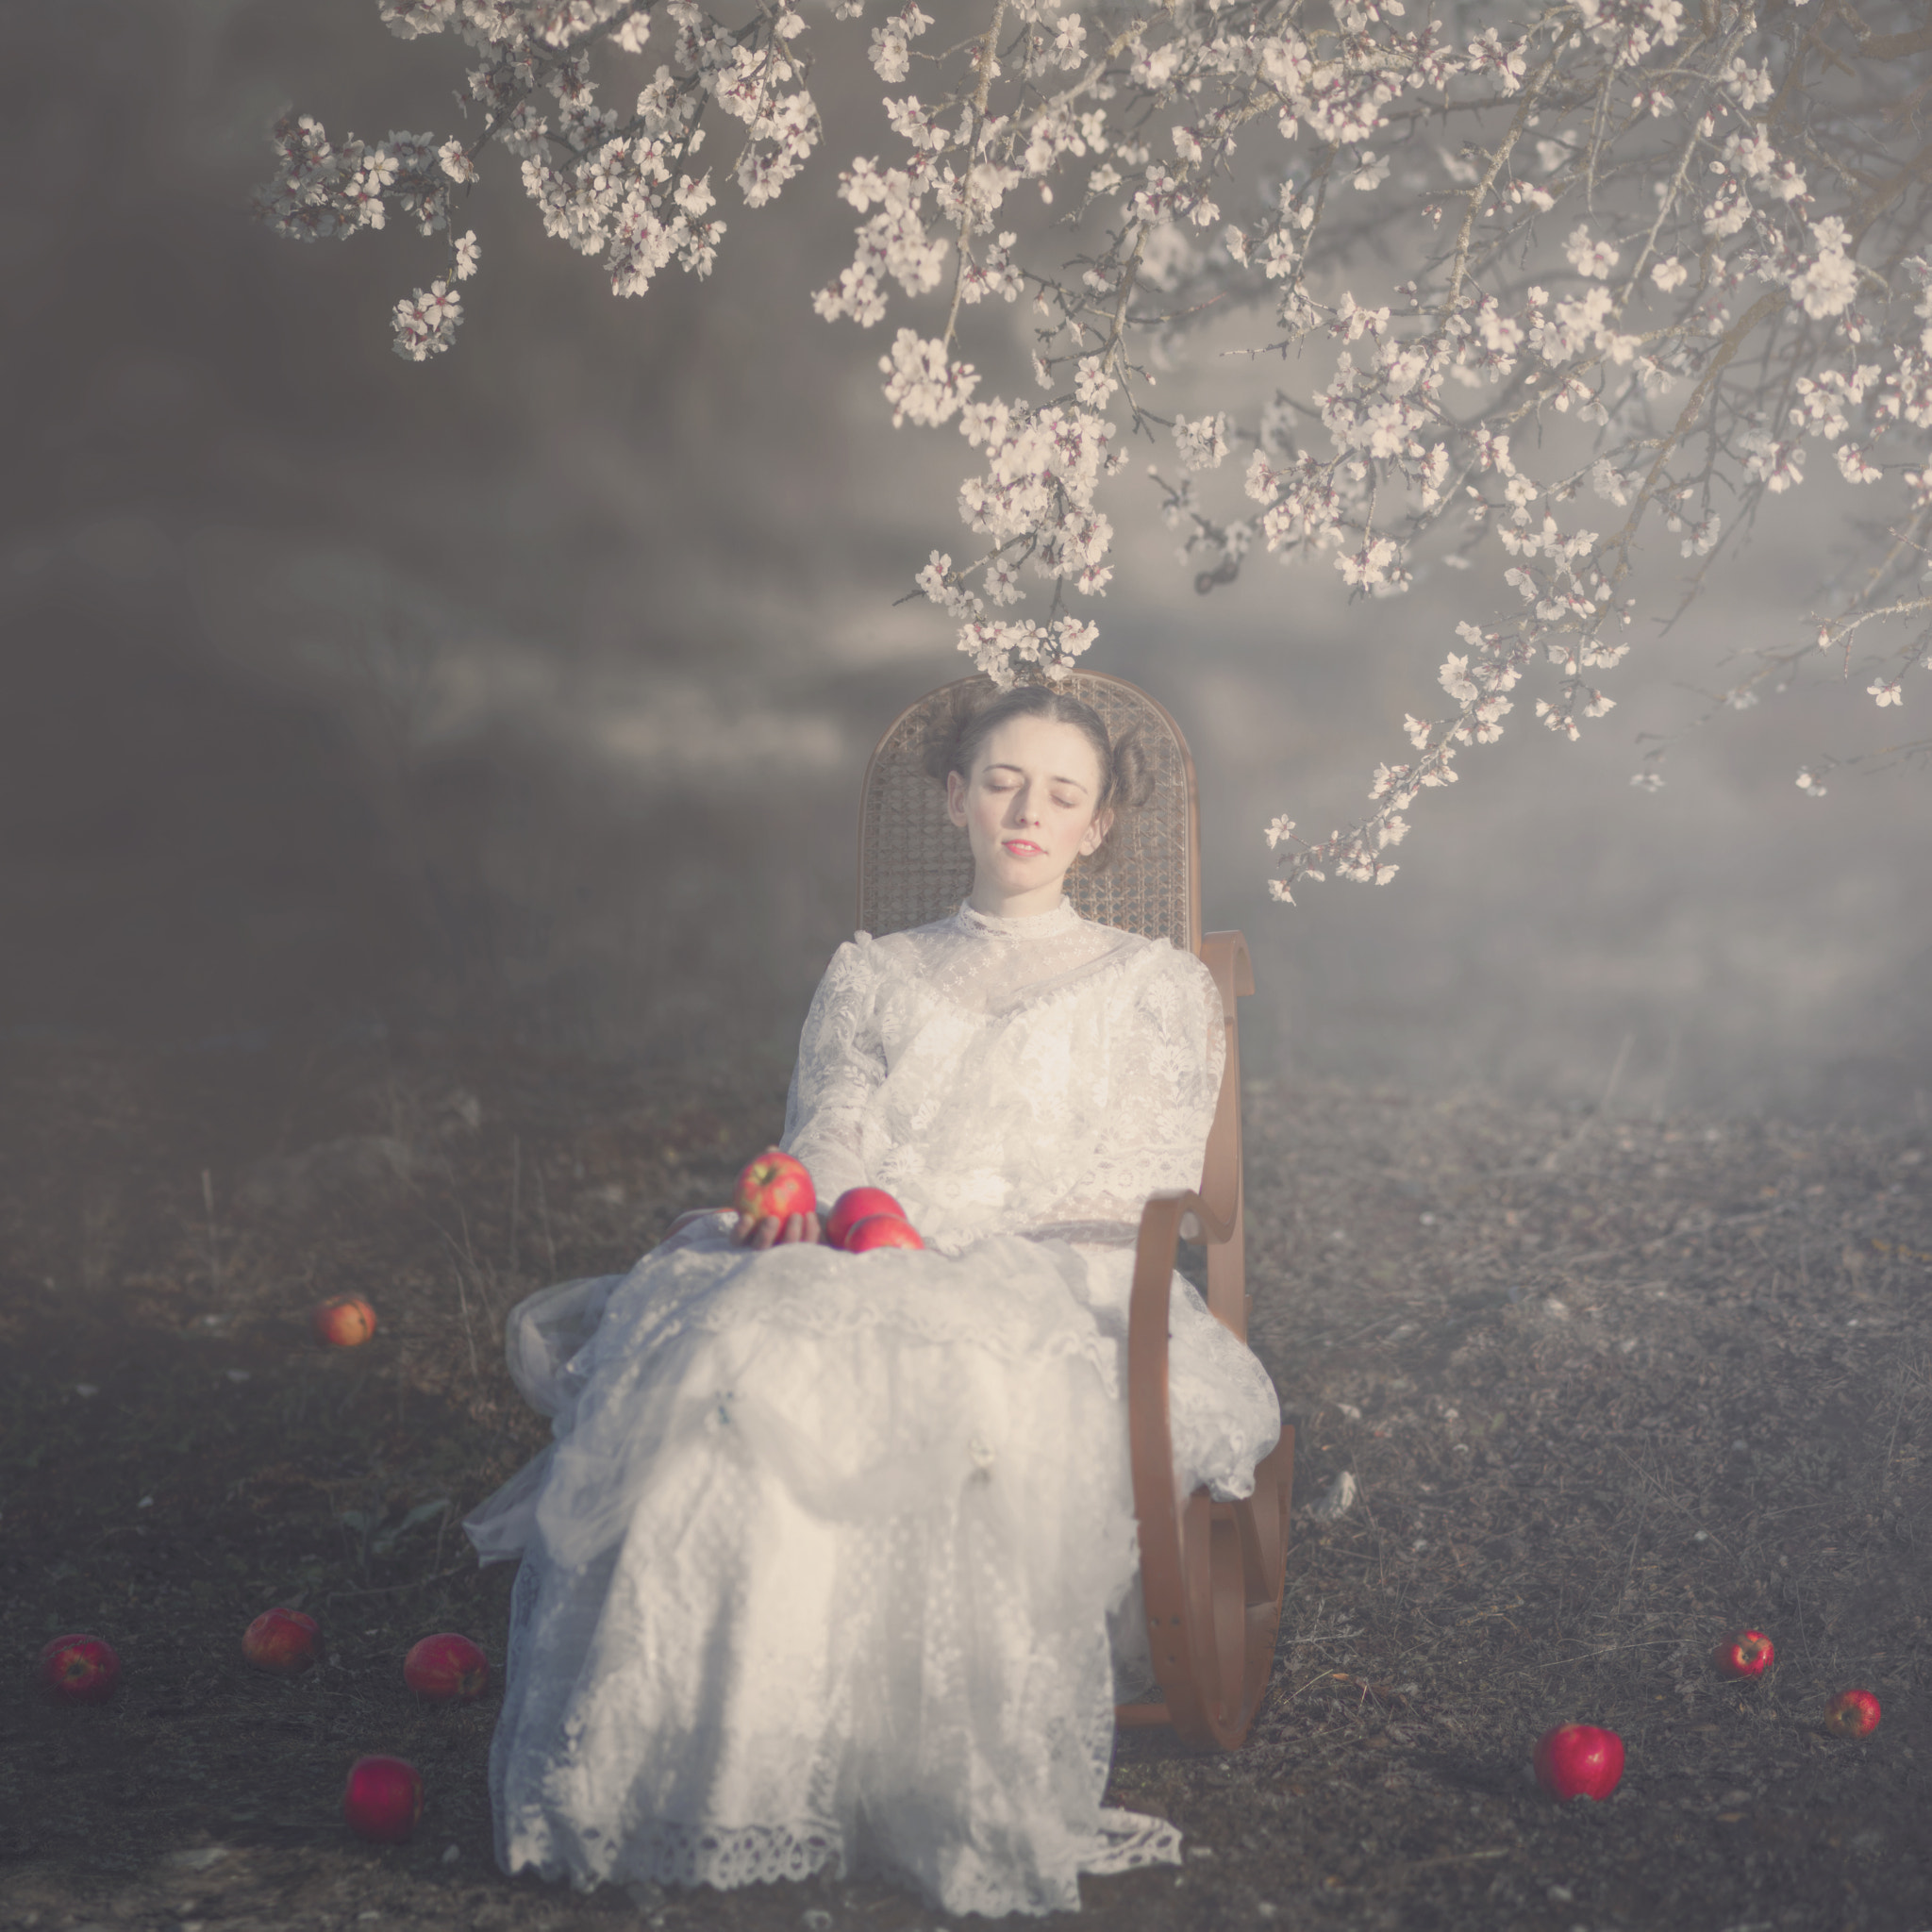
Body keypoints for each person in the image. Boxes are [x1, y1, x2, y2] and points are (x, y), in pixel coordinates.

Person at [462, 681, 1282, 1918]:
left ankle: (922, 1758)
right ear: (955, 798)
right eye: (1002, 781)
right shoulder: (875, 974)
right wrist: (858, 1221)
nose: (1028, 811)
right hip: (866, 1235)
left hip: (1049, 1256)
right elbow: (830, 1131)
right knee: (741, 1347)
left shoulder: (1147, 983)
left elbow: (1142, 1170)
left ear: (1098, 826)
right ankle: (740, 1756)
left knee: (965, 1360)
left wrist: (955, 1240)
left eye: (1062, 794)